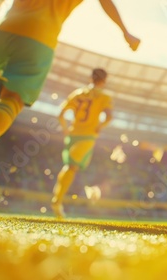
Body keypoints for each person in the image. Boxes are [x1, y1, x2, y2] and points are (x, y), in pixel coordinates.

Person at [0, 0, 140, 198]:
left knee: (5, 99)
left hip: (2, 32)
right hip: (39, 38)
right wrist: (125, 31)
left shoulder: (79, 94)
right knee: (11, 102)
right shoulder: (104, 96)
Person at [51, 68, 112, 219]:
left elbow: (61, 114)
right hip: (87, 136)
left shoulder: (78, 93)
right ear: (104, 81)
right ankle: (57, 201)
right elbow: (109, 117)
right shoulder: (104, 96)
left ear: (91, 78)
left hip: (73, 134)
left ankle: (57, 199)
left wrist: (65, 129)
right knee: (72, 167)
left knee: (72, 167)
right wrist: (99, 127)